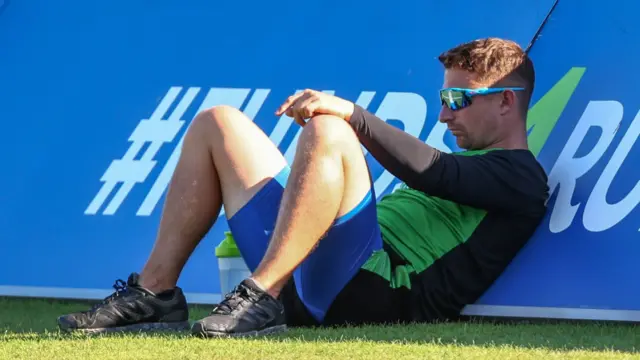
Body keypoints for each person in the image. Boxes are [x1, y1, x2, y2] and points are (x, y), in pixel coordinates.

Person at [57, 37, 549, 337]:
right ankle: (156, 294)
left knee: (332, 129)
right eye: (443, 98)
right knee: (218, 123)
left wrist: (351, 113)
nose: (443, 114)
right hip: (317, 273)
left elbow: (435, 172)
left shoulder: (524, 178)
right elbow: (436, 170)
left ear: (507, 101)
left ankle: (261, 295)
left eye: (458, 99)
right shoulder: (469, 164)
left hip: (376, 293)